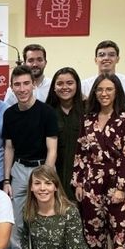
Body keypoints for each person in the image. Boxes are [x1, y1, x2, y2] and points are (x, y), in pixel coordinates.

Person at [72, 74, 125, 249]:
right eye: (100, 90)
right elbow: (81, 152)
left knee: (119, 233)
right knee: (93, 232)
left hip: (117, 182)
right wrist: (78, 181)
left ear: (117, 92)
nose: (104, 93)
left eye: (109, 89)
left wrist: (122, 188)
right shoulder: (87, 119)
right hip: (91, 182)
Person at [2, 65, 58, 249]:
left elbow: (52, 149)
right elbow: (9, 148)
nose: (22, 88)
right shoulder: (9, 114)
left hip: (42, 169)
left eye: (26, 83)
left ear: (33, 84)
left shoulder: (47, 112)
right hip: (18, 170)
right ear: (11, 87)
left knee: (43, 219)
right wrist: (7, 180)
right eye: (17, 84)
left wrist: (45, 178)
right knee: (17, 221)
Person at [45, 68, 84, 201]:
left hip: (82, 176)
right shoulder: (47, 112)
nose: (65, 87)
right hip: (56, 173)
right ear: (54, 87)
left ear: (77, 85)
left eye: (69, 83)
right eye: (60, 83)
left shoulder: (87, 111)